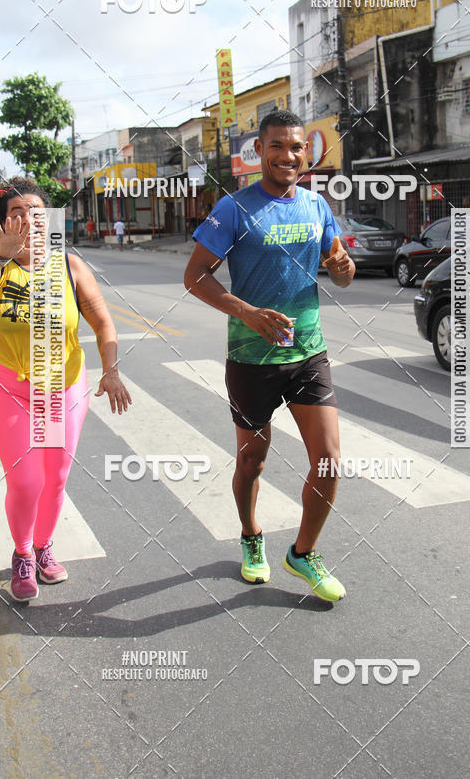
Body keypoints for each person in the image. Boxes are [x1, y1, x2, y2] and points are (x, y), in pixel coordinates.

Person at [184, 111, 355, 602]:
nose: (288, 155)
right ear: (260, 151)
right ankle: (252, 536)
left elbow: (342, 273)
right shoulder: (234, 209)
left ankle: (303, 551)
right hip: (251, 358)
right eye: (277, 146)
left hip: (308, 353)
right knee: (252, 461)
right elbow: (195, 275)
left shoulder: (317, 206)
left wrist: (343, 265)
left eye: (297, 146)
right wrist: (246, 312)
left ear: (307, 152)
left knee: (328, 461)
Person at [0, 178, 132, 602]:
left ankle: (43, 546)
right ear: (2, 223)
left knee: (54, 478)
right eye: (17, 213)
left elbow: (102, 322)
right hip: (9, 388)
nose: (27, 219)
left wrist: (110, 370)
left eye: (36, 212)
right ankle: (22, 553)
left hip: (61, 388)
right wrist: (1, 256)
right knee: (25, 481)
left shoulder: (70, 266)